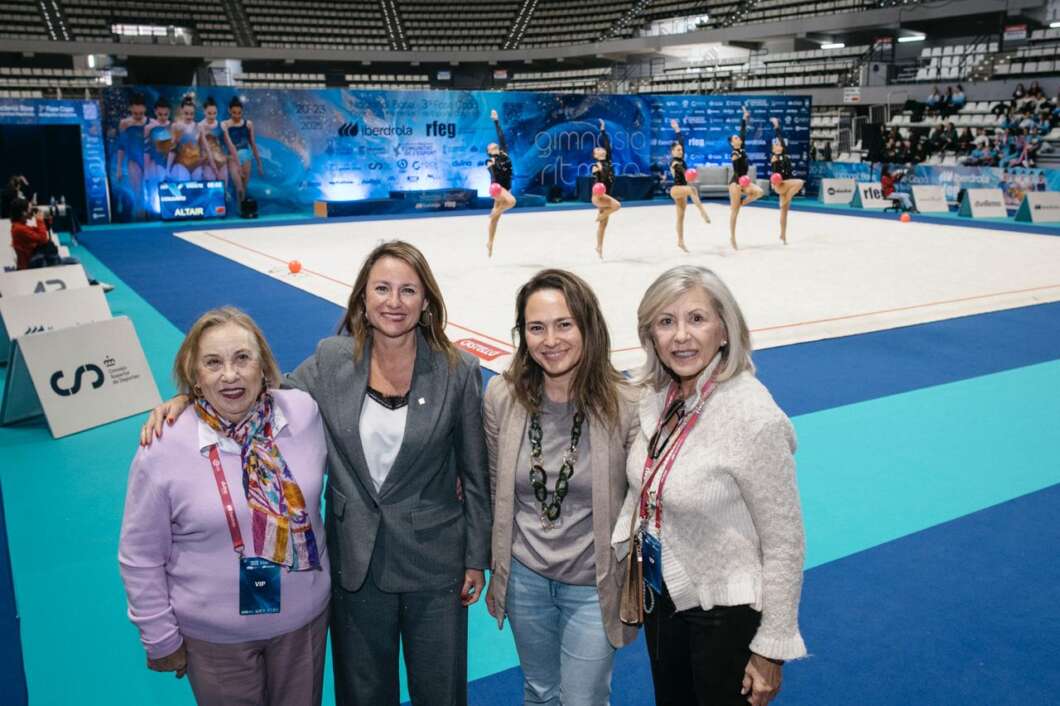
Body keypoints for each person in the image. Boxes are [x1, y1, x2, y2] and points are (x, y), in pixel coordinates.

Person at [141, 240, 491, 706]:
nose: (394, 301)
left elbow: (475, 472)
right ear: (362, 298)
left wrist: (475, 557)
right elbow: (260, 391)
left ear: (426, 301)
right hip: (355, 564)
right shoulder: (331, 360)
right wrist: (190, 397)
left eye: (408, 290)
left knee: (440, 692)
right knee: (363, 693)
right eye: (381, 288)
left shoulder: (458, 370)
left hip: (435, 562)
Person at [613, 265, 807, 706]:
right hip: (663, 594)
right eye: (666, 322)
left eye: (696, 319)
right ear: (650, 335)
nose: (681, 336)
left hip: (725, 611)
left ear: (724, 329)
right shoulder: (660, 396)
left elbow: (785, 542)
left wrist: (771, 647)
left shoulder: (752, 416)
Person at [119, 307, 330, 706]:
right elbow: (140, 555)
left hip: (303, 626)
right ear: (194, 376)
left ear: (264, 367)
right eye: (213, 363)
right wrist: (159, 637)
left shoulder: (303, 413)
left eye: (242, 358)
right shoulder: (163, 445)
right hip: (214, 640)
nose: (230, 375)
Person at [483, 269, 639, 706]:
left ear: (588, 326)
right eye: (536, 328)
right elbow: (497, 490)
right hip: (525, 578)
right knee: (538, 691)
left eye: (564, 324)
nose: (550, 340)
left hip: (593, 583)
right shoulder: (501, 395)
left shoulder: (627, 403)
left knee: (583, 699)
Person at [667, 118, 710, 252]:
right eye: (678, 150)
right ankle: (702, 212)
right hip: (676, 189)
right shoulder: (674, 162)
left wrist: (677, 129)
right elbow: (679, 169)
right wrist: (687, 173)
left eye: (681, 150)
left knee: (680, 217)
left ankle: (680, 241)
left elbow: (681, 141)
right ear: (672, 152)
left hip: (682, 190)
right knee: (692, 189)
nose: (680, 151)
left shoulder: (681, 158)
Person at [728, 105, 764, 250]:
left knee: (759, 192)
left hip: (745, 181)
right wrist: (735, 157)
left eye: (738, 138)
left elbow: (742, 131)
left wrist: (744, 117)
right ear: (732, 143)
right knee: (734, 212)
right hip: (736, 183)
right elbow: (736, 168)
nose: (739, 138)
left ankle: (742, 203)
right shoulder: (734, 153)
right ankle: (732, 237)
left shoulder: (742, 148)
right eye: (736, 138)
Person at [486, 108, 516, 257]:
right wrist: (491, 166)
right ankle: (495, 212)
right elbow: (493, 175)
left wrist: (496, 121)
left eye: (494, 144)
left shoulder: (504, 152)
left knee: (495, 220)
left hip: (506, 188)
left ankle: (490, 242)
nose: (493, 144)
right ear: (489, 151)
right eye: (490, 146)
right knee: (511, 202)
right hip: (496, 188)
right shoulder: (490, 160)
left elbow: (501, 136)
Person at [768, 117, 804, 245]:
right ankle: (787, 198)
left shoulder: (784, 155)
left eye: (779, 145)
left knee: (784, 212)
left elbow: (781, 138)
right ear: (774, 150)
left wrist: (776, 126)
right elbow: (774, 174)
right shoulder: (774, 158)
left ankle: (783, 235)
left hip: (786, 185)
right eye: (776, 145)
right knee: (800, 182)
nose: (779, 145)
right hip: (780, 185)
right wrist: (774, 183)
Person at [222, 97, 264, 204]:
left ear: (242, 111)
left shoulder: (248, 124)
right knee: (239, 187)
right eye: (234, 113)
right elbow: (230, 145)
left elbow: (253, 144)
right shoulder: (225, 124)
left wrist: (259, 164)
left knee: (244, 187)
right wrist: (237, 164)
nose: (237, 116)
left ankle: (241, 209)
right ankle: (239, 208)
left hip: (246, 157)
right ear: (229, 111)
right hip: (232, 158)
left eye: (239, 113)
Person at [590, 118, 621, 258]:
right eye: (597, 150)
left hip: (607, 196)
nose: (601, 150)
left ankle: (599, 247)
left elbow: (607, 144)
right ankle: (601, 215)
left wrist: (603, 130)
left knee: (603, 224)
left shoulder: (608, 161)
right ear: (595, 155)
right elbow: (597, 182)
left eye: (602, 149)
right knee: (617, 205)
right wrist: (596, 171)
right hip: (599, 197)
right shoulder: (595, 165)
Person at [115, 93, 148, 220]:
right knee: (137, 191)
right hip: (134, 160)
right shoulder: (124, 123)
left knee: (150, 190)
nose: (138, 116)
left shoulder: (151, 122)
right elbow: (121, 146)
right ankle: (140, 217)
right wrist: (119, 168)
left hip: (148, 159)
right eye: (135, 114)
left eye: (141, 113)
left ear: (145, 109)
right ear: (130, 109)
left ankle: (152, 215)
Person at [144, 98, 173, 215]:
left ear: (169, 113)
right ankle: (154, 212)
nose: (163, 117)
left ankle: (168, 210)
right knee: (153, 187)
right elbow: (145, 146)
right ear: (155, 112)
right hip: (154, 161)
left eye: (166, 114)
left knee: (167, 186)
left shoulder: (173, 126)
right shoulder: (149, 127)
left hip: (169, 162)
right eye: (160, 114)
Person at [199, 96, 230, 200]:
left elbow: (227, 144)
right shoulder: (200, 126)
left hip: (220, 160)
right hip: (207, 161)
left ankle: (223, 206)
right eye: (209, 113)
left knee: (223, 189)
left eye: (214, 113)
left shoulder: (221, 125)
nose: (212, 116)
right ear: (204, 112)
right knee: (210, 190)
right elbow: (202, 148)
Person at [169, 94, 205, 181]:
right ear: (181, 111)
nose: (189, 116)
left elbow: (202, 148)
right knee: (183, 183)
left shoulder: (199, 127)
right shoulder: (176, 126)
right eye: (186, 113)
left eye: (192, 114)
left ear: (194, 113)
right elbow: (172, 149)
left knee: (198, 186)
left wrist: (203, 165)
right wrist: (168, 169)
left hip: (196, 164)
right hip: (181, 164)